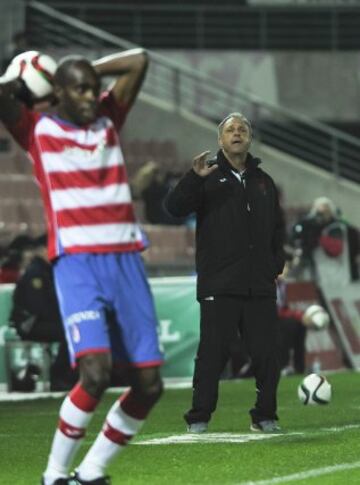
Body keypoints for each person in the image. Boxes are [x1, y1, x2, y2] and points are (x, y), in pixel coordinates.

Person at [0, 48, 163, 485]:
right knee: (95, 373)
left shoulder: (110, 117)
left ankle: (91, 473)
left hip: (126, 259)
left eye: (94, 88)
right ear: (58, 93)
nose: (92, 95)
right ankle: (54, 476)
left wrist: (86, 68)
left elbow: (139, 61)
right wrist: (22, 80)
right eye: (81, 88)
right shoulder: (36, 129)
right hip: (77, 262)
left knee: (150, 385)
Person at [164, 112, 285, 433]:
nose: (236, 133)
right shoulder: (207, 176)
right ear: (220, 140)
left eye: (242, 129)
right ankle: (199, 418)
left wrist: (274, 266)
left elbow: (277, 228)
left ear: (249, 138)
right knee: (212, 355)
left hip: (259, 285)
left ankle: (265, 416)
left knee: (266, 355)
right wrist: (193, 178)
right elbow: (173, 208)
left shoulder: (264, 181)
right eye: (230, 129)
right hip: (219, 282)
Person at [10, 234, 76, 391]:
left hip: (40, 322)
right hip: (30, 325)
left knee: (72, 330)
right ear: (42, 250)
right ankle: (59, 377)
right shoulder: (36, 274)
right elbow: (40, 308)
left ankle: (66, 376)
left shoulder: (47, 271)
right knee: (70, 332)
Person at [291, 196, 360, 281]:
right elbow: (299, 242)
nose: (322, 215)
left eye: (325, 211)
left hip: (340, 268)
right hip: (317, 268)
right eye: (319, 212)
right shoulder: (307, 226)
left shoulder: (342, 227)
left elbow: (353, 247)